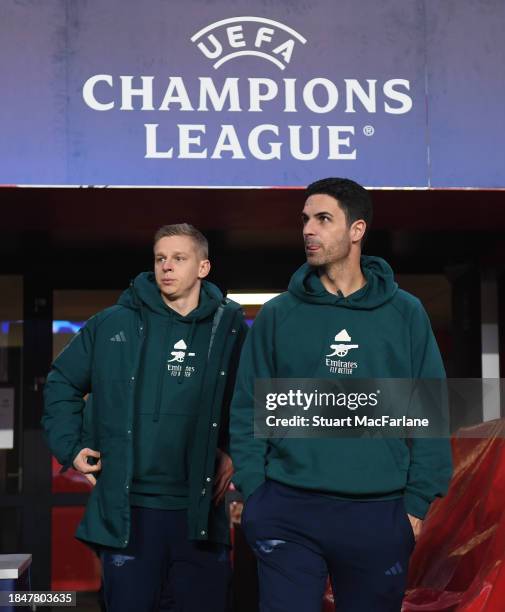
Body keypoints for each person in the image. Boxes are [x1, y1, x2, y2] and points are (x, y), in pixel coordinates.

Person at [230, 178, 453, 612]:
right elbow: (246, 408)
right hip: (287, 508)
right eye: (305, 220)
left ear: (357, 230)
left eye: (323, 219)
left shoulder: (405, 313)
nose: (308, 230)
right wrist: (256, 494)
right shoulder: (278, 314)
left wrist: (416, 504)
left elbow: (428, 409)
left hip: (379, 514)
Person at [43, 223, 248, 612]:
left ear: (203, 267)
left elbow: (252, 400)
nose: (166, 267)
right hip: (129, 513)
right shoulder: (111, 324)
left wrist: (235, 453)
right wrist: (71, 447)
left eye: (179, 258)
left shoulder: (231, 329)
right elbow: (62, 382)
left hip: (198, 512)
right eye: (160, 258)